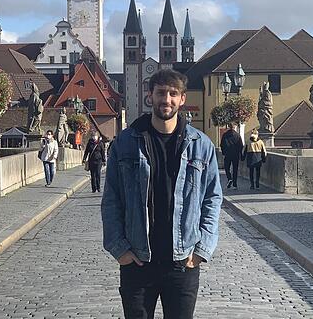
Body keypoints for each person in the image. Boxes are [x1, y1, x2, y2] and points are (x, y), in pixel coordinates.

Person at [102, 69, 223, 319]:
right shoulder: (125, 142)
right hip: (137, 259)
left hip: (182, 262)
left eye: (172, 94)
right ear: (150, 96)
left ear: (181, 99)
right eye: (160, 93)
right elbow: (111, 199)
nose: (165, 99)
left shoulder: (201, 145)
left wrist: (202, 248)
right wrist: (119, 248)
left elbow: (212, 199)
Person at [220, 124, 243, 189]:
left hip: (228, 154)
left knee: (227, 168)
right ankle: (235, 184)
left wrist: (224, 152)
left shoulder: (225, 135)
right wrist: (240, 154)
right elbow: (241, 145)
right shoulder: (238, 135)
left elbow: (222, 144)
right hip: (236, 155)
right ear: (234, 127)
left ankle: (229, 178)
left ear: (229, 127)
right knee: (235, 169)